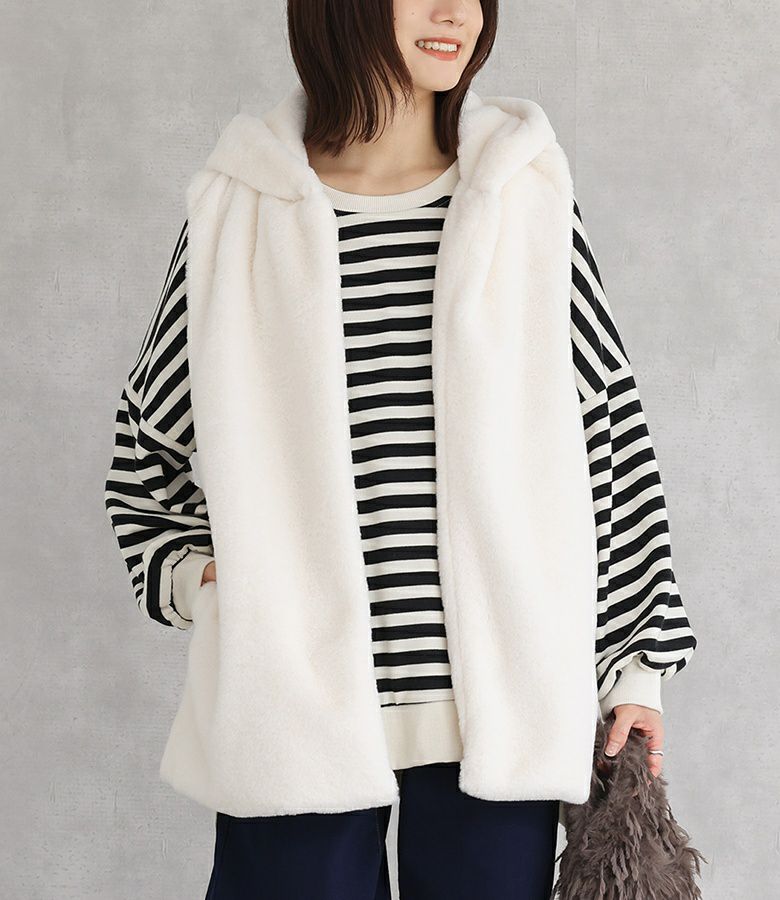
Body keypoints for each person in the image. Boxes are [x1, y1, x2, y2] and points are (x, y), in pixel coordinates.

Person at [103, 1, 697, 897]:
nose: (457, 12)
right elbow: (149, 443)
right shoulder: (239, 205)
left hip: (495, 707)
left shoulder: (522, 196)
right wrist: (206, 580)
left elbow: (608, 433)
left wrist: (637, 666)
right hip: (294, 706)